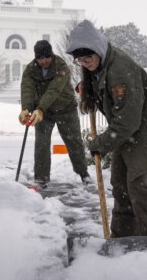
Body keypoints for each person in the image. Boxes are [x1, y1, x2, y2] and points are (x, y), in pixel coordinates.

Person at [65, 20, 147, 250]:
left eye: (87, 59)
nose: (84, 64)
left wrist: (100, 144)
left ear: (97, 50)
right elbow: (105, 94)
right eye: (80, 61)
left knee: (138, 186)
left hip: (145, 134)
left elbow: (128, 121)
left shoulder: (120, 72)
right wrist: (86, 89)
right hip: (127, 135)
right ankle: (123, 237)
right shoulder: (101, 64)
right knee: (119, 183)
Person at [18, 39, 92, 188]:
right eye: (40, 58)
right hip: (44, 113)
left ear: (51, 55)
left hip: (65, 109)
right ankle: (41, 178)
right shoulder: (31, 69)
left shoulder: (61, 66)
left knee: (74, 142)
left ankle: (83, 173)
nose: (44, 61)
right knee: (41, 143)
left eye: (46, 57)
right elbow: (27, 88)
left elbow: (54, 90)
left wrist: (40, 108)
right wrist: (26, 109)